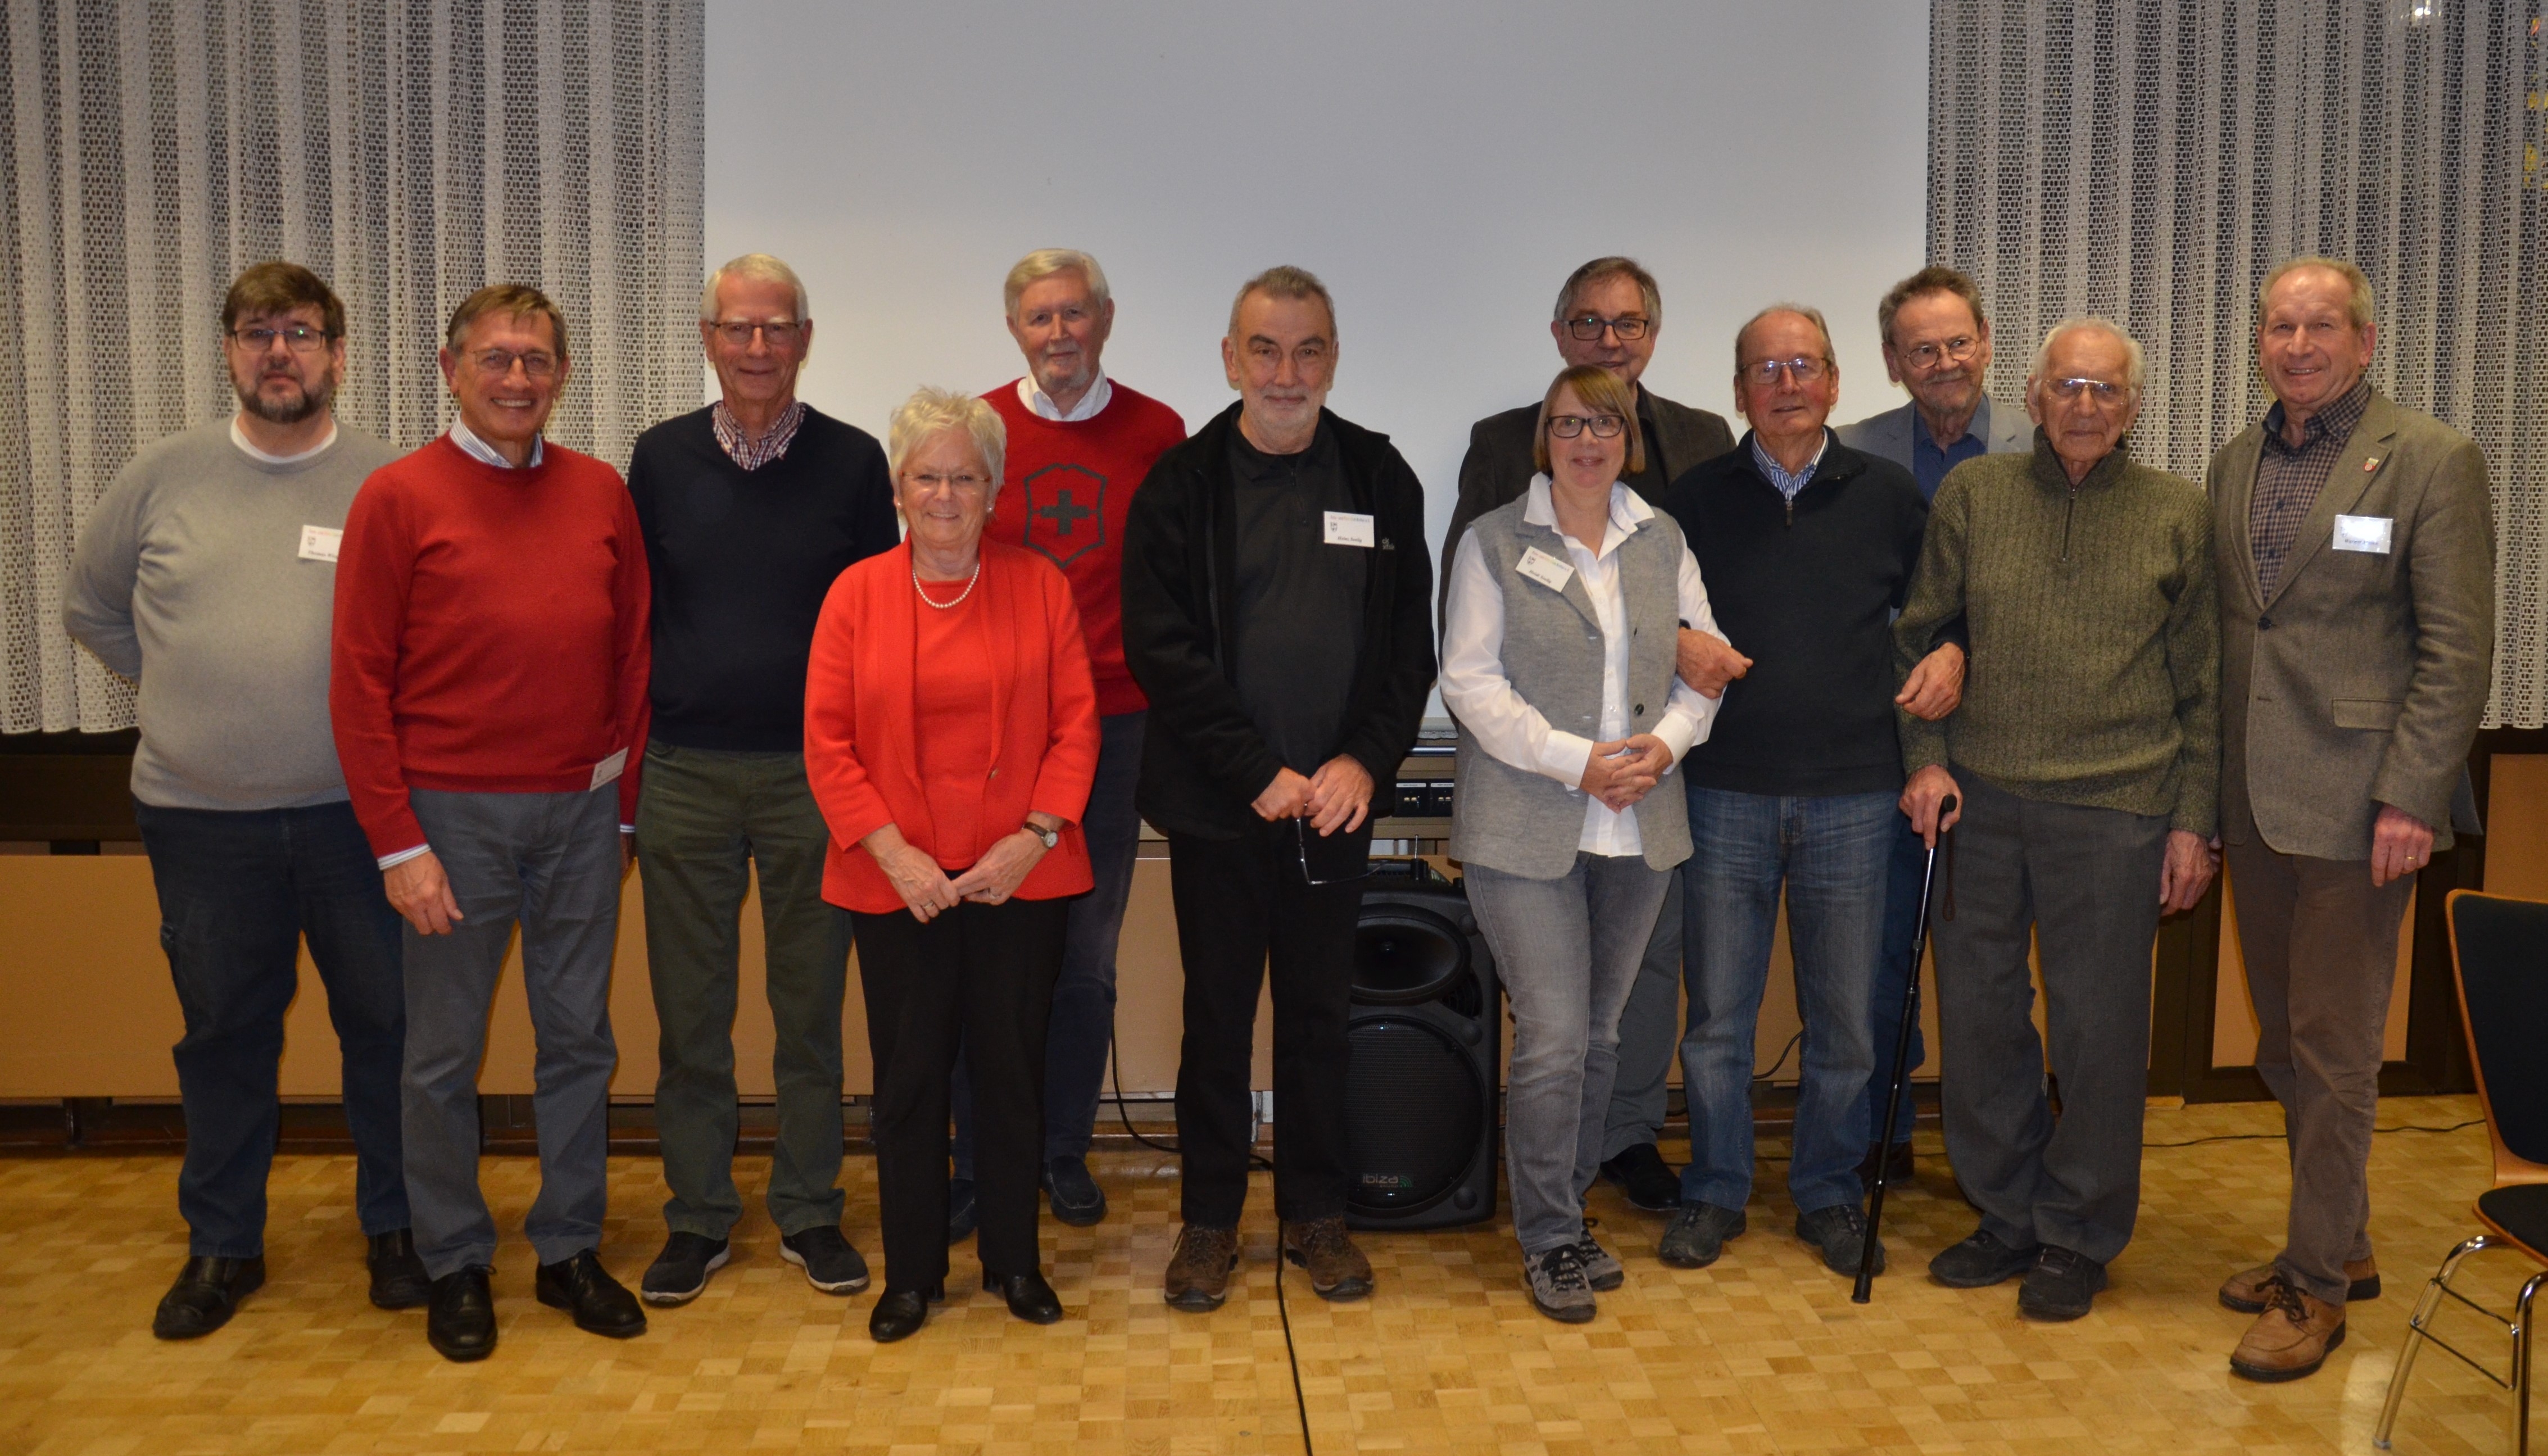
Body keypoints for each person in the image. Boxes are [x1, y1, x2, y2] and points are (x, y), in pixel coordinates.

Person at [62, 261, 425, 1339]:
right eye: (258, 332)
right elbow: (94, 611)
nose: (280, 352)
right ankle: (222, 1246)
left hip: (359, 821)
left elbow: (425, 641)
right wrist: (191, 689)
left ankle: (397, 1230)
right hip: (199, 820)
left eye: (302, 333)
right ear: (227, 351)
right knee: (223, 1034)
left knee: (387, 1028)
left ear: (337, 354)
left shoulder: (387, 484)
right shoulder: (162, 476)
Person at [330, 284, 652, 1362]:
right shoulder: (397, 497)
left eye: (537, 361)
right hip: (449, 822)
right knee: (440, 1057)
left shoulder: (601, 492)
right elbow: (359, 680)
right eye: (497, 359)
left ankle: (566, 1249)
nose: (518, 379)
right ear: (450, 367)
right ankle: (455, 1259)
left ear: (562, 377)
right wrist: (399, 843)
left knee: (578, 1043)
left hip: (579, 814)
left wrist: (620, 814)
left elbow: (632, 659)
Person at [1122, 266, 1435, 1310]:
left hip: (1335, 809)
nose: (1286, 371)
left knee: (1316, 1019)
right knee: (1215, 1023)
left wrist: (1361, 764)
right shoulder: (1180, 483)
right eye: (1265, 348)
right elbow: (1161, 650)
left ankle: (1316, 1216)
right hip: (1222, 808)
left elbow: (1407, 652)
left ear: (1333, 360)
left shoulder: (1382, 480)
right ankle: (1209, 1223)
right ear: (1230, 359)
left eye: (1308, 350)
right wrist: (1253, 769)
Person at [1896, 317, 2220, 1323]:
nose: (2085, 406)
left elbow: (2204, 686)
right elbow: (1922, 634)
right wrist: (1925, 766)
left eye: (2106, 391)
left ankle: (2078, 1232)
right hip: (1979, 803)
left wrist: (2190, 823)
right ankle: (2006, 1216)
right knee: (1983, 1020)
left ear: (2131, 408)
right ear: (2030, 397)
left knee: (2098, 1034)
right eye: (2067, 388)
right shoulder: (1972, 495)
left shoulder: (2177, 514)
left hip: (2119, 808)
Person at [2205, 257, 2494, 1382]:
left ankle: (2313, 1289)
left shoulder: (2428, 459)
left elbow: (2455, 645)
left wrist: (2411, 796)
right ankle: (2342, 1239)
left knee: (2331, 1053)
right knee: (2286, 1044)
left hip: (2360, 807)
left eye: (2319, 325)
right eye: (2279, 324)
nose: (2296, 343)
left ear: (2362, 343)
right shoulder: (2235, 463)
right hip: (2255, 800)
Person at [1439, 256, 1741, 1213]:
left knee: (1605, 1032)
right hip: (1532, 811)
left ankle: (1573, 1192)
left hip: (1641, 818)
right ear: (1544, 434)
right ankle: (1546, 1226)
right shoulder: (1497, 527)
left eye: (1603, 423)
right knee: (1558, 1035)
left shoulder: (1667, 528)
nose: (1585, 438)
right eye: (1568, 422)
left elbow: (1706, 653)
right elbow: (1467, 674)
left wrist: (1664, 748)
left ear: (1630, 436)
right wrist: (1579, 764)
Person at [1652, 306, 1947, 1278]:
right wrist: (1671, 641)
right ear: (1738, 391)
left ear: (1832, 382)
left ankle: (1826, 1190)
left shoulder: (1890, 495)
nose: (1785, 383)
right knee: (1718, 1024)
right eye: (1764, 369)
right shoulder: (1691, 499)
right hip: (1722, 793)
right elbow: (1639, 618)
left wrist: (1952, 652)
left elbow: (1938, 617)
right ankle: (1715, 1190)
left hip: (1855, 798)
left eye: (1804, 366)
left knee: (1847, 1025)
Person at [625, 254, 899, 1306]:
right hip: (685, 771)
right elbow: (635, 615)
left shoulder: (854, 463)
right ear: (707, 338)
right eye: (736, 329)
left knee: (809, 1014)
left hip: (811, 779)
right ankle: (696, 1217)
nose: (755, 348)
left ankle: (809, 1211)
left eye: (775, 328)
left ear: (804, 338)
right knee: (691, 1021)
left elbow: (877, 625)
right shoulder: (658, 458)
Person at [802, 388, 1100, 1344]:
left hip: (1021, 877)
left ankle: (1014, 1261)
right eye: (926, 476)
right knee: (910, 1083)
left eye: (963, 477)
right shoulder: (854, 594)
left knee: (1012, 1076)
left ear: (994, 487)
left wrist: (1035, 835)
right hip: (899, 886)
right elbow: (828, 741)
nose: (943, 494)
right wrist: (892, 853)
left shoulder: (1039, 585)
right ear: (899, 488)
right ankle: (913, 1275)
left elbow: (1076, 726)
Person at [948, 248, 1186, 1236]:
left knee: (1084, 957)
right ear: (1015, 329)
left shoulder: (1158, 432)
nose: (1059, 335)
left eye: (1075, 315)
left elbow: (1176, 579)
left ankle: (1059, 1151)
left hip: (1116, 726)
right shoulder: (976, 431)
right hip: (994, 728)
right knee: (982, 952)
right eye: (1039, 318)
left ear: (1105, 320)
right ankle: (975, 1163)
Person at [1835, 265, 2029, 1187]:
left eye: (1958, 342)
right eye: (1922, 349)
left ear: (1986, 343)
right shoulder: (1852, 454)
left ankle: (2005, 1147)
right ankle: (1887, 1128)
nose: (1944, 362)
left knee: (1993, 958)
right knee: (1885, 947)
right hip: (1887, 743)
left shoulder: (2049, 442)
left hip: (2012, 745)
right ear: (1891, 362)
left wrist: (1969, 656)